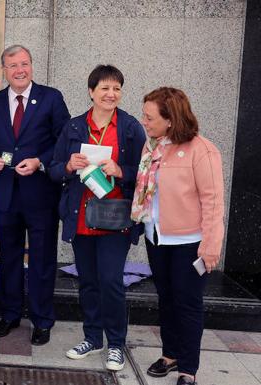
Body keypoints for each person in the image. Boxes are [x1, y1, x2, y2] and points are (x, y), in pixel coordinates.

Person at [48, 65, 145, 371]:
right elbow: (53, 169)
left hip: (115, 217)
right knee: (88, 281)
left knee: (111, 281)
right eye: (104, 88)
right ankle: (93, 337)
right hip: (81, 216)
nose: (110, 94)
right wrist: (67, 165)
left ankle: (116, 343)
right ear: (91, 92)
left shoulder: (130, 128)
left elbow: (145, 173)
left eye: (116, 88)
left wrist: (121, 171)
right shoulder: (74, 127)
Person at [0, 45, 70, 345]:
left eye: (25, 64)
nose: (20, 70)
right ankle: (10, 314)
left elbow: (64, 140)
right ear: (4, 70)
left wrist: (40, 161)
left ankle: (42, 320)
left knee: (43, 259)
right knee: (10, 256)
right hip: (5, 193)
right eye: (13, 65)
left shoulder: (51, 98)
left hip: (41, 194)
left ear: (32, 65)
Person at [132, 87, 224, 385]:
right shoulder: (152, 146)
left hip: (189, 242)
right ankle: (170, 354)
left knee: (187, 303)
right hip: (156, 236)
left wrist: (210, 246)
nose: (144, 121)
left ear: (170, 119)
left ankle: (188, 367)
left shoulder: (201, 149)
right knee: (166, 299)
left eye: (149, 116)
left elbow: (212, 201)